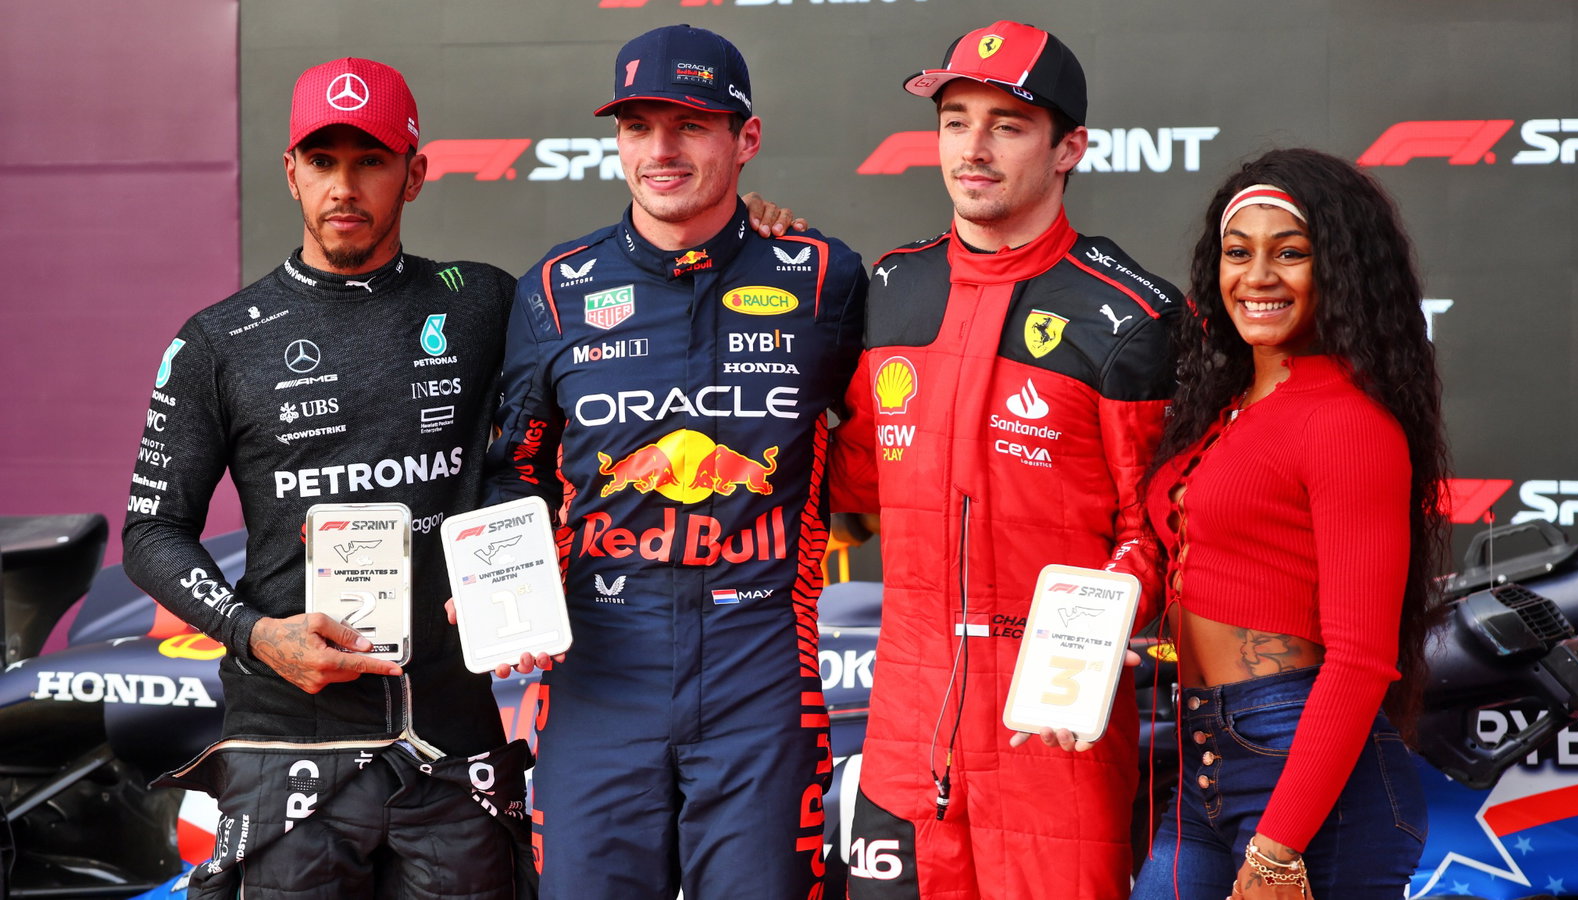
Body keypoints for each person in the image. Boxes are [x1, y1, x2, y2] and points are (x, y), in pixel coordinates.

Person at [121, 58, 533, 899]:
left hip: (452, 742)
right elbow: (151, 530)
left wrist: (737, 235)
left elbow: (560, 441)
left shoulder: (486, 304)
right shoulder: (220, 340)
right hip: (285, 740)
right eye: (323, 161)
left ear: (414, 174)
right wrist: (255, 632)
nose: (343, 186)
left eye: (371, 160)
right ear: (291, 171)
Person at [481, 25, 866, 900]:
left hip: (763, 665)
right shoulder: (553, 289)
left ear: (746, 138)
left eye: (690, 124)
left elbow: (894, 440)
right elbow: (516, 470)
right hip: (600, 668)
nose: (660, 149)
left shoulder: (824, 280)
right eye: (637, 125)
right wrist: (510, 571)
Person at [828, 20, 1181, 900]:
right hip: (906, 737)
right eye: (955, 119)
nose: (973, 148)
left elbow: (1162, 529)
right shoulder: (890, 288)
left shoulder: (1133, 317)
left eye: (1008, 124)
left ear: (1070, 149)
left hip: (1054, 741)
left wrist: (1083, 649)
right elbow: (854, 480)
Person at [1129, 148, 1447, 899]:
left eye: (1290, 253)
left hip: (1308, 777)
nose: (1258, 277)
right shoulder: (1226, 409)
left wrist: (1278, 851)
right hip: (1206, 753)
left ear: (1337, 270)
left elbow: (1362, 658)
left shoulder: (1346, 420)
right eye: (1239, 254)